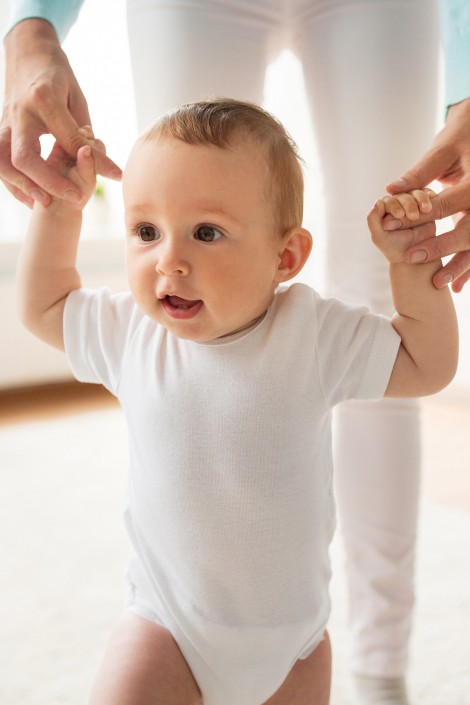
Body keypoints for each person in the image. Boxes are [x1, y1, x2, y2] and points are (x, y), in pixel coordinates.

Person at [1, 3, 450, 703]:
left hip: (296, 645)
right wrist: (58, 214)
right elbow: (45, 306)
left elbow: (427, 363)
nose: (168, 262)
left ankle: (384, 666)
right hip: (167, 629)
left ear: (286, 256)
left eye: (206, 233)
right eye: (146, 231)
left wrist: (412, 272)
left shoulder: (314, 333)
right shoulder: (132, 332)